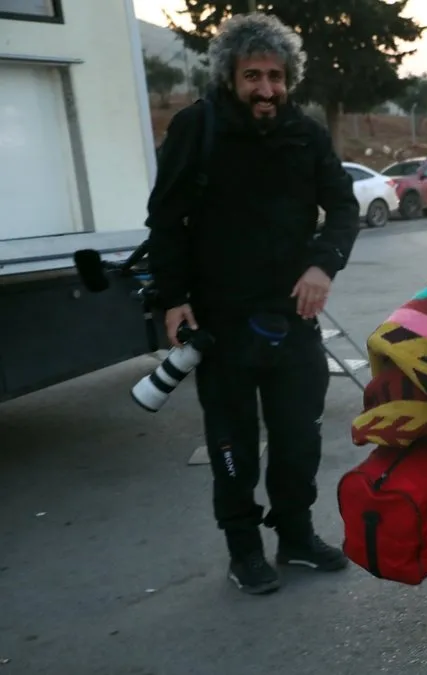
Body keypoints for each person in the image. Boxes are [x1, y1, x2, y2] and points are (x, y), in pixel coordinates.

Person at [145, 12, 360, 594]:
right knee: (232, 442)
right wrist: (173, 300)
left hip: (293, 320)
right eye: (253, 76)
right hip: (221, 320)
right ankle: (244, 547)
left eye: (276, 76)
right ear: (231, 78)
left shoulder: (306, 133)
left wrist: (323, 263)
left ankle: (295, 536)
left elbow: (343, 207)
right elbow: (164, 219)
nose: (266, 89)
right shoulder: (199, 128)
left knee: (299, 438)